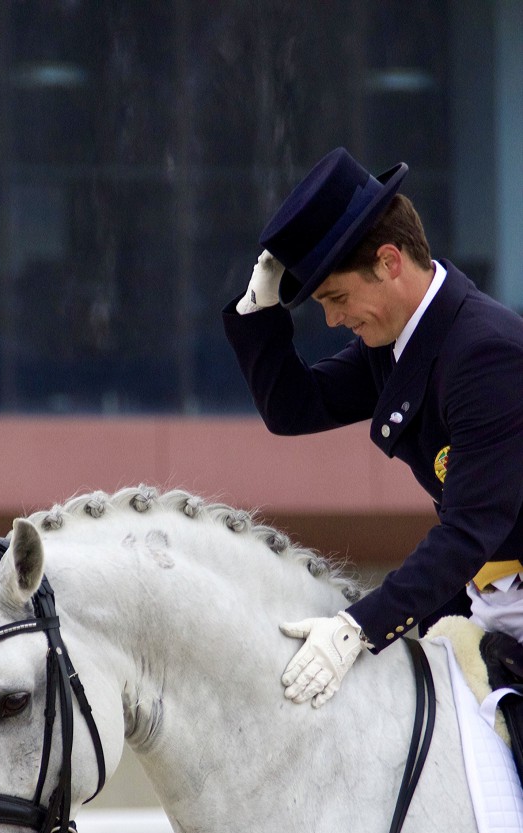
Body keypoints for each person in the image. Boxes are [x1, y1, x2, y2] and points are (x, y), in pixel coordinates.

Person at [223, 146, 523, 713]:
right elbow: (294, 409)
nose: (333, 320)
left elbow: (467, 532)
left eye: (337, 299)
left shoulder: (486, 355)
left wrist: (355, 629)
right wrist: (259, 309)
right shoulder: (403, 339)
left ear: (389, 261)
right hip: (490, 600)